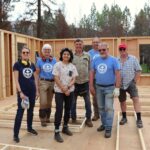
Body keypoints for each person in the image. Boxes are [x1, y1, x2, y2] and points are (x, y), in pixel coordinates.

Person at [90, 42, 120, 138]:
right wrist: (91, 86)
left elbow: (118, 74)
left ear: (108, 49)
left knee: (109, 108)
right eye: (100, 50)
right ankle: (104, 124)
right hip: (98, 87)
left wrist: (117, 88)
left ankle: (108, 128)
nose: (102, 51)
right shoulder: (95, 60)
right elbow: (92, 73)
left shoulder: (114, 60)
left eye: (104, 49)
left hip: (110, 88)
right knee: (101, 108)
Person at [13, 46, 39, 143]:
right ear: (21, 54)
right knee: (20, 113)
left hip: (32, 92)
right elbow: (16, 80)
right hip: (23, 93)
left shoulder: (32, 64)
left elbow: (35, 78)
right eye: (23, 52)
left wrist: (37, 91)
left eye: (27, 52)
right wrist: (20, 92)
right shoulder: (17, 65)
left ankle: (29, 128)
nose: (25, 54)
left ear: (29, 54)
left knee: (30, 111)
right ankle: (15, 134)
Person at [52, 48, 78, 143]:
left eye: (67, 54)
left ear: (70, 56)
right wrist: (63, 88)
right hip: (59, 91)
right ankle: (56, 131)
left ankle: (65, 127)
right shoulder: (57, 65)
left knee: (68, 110)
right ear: (61, 55)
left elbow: (74, 79)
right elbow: (55, 77)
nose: (66, 55)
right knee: (59, 110)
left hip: (69, 91)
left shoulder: (72, 66)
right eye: (64, 54)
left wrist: (68, 87)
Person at [118, 43, 143, 128]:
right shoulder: (117, 60)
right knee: (122, 101)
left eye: (124, 49)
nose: (122, 51)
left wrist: (134, 81)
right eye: (120, 49)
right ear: (119, 50)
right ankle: (124, 118)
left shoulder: (133, 59)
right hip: (120, 84)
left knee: (136, 99)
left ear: (126, 49)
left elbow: (139, 70)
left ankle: (139, 119)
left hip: (130, 82)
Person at [71, 39, 93, 127]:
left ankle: (88, 119)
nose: (78, 46)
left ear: (83, 45)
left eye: (80, 44)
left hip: (85, 83)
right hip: (74, 83)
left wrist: (90, 82)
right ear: (74, 45)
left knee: (87, 102)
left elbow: (90, 69)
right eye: (77, 44)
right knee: (73, 102)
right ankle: (73, 118)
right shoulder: (71, 56)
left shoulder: (88, 55)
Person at [36, 44, 56, 127]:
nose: (47, 52)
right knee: (43, 102)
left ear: (50, 51)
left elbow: (56, 73)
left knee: (49, 102)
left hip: (52, 82)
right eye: (45, 50)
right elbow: (37, 74)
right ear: (43, 51)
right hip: (43, 82)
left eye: (48, 50)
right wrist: (37, 86)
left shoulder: (54, 60)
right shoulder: (39, 61)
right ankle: (42, 119)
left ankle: (47, 117)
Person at [88, 37, 101, 121]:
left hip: (102, 78)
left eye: (97, 42)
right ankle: (96, 114)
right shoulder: (89, 53)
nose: (96, 44)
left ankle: (103, 114)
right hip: (93, 79)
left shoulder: (103, 51)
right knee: (95, 98)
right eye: (94, 42)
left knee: (103, 98)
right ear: (92, 43)